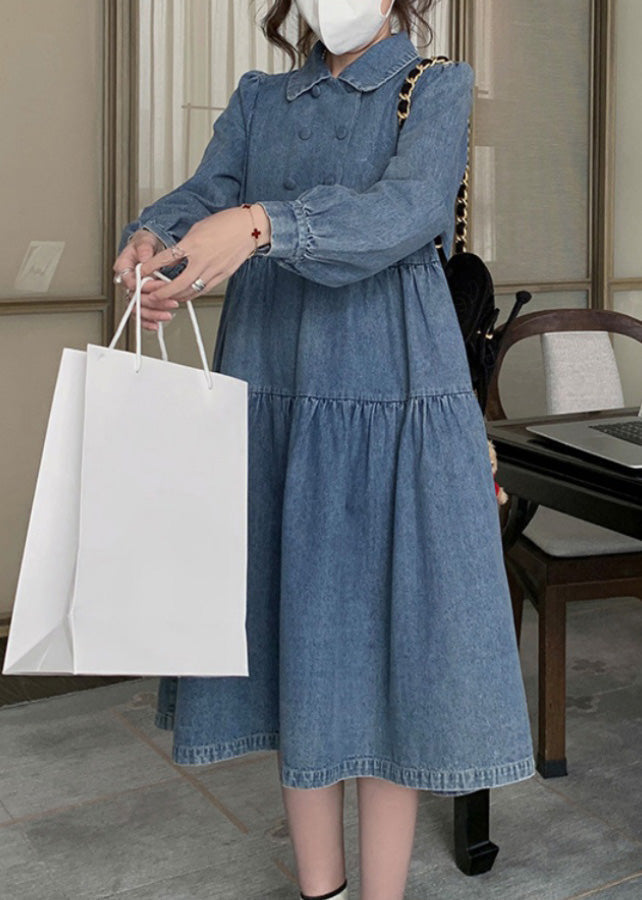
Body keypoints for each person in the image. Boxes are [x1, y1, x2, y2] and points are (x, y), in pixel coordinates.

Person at [113, 2, 536, 898]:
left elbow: (406, 211)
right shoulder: (260, 99)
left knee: (386, 656)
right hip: (272, 390)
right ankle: (323, 892)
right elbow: (206, 193)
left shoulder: (436, 86)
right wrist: (155, 239)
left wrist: (261, 226)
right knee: (298, 646)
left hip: (392, 398)